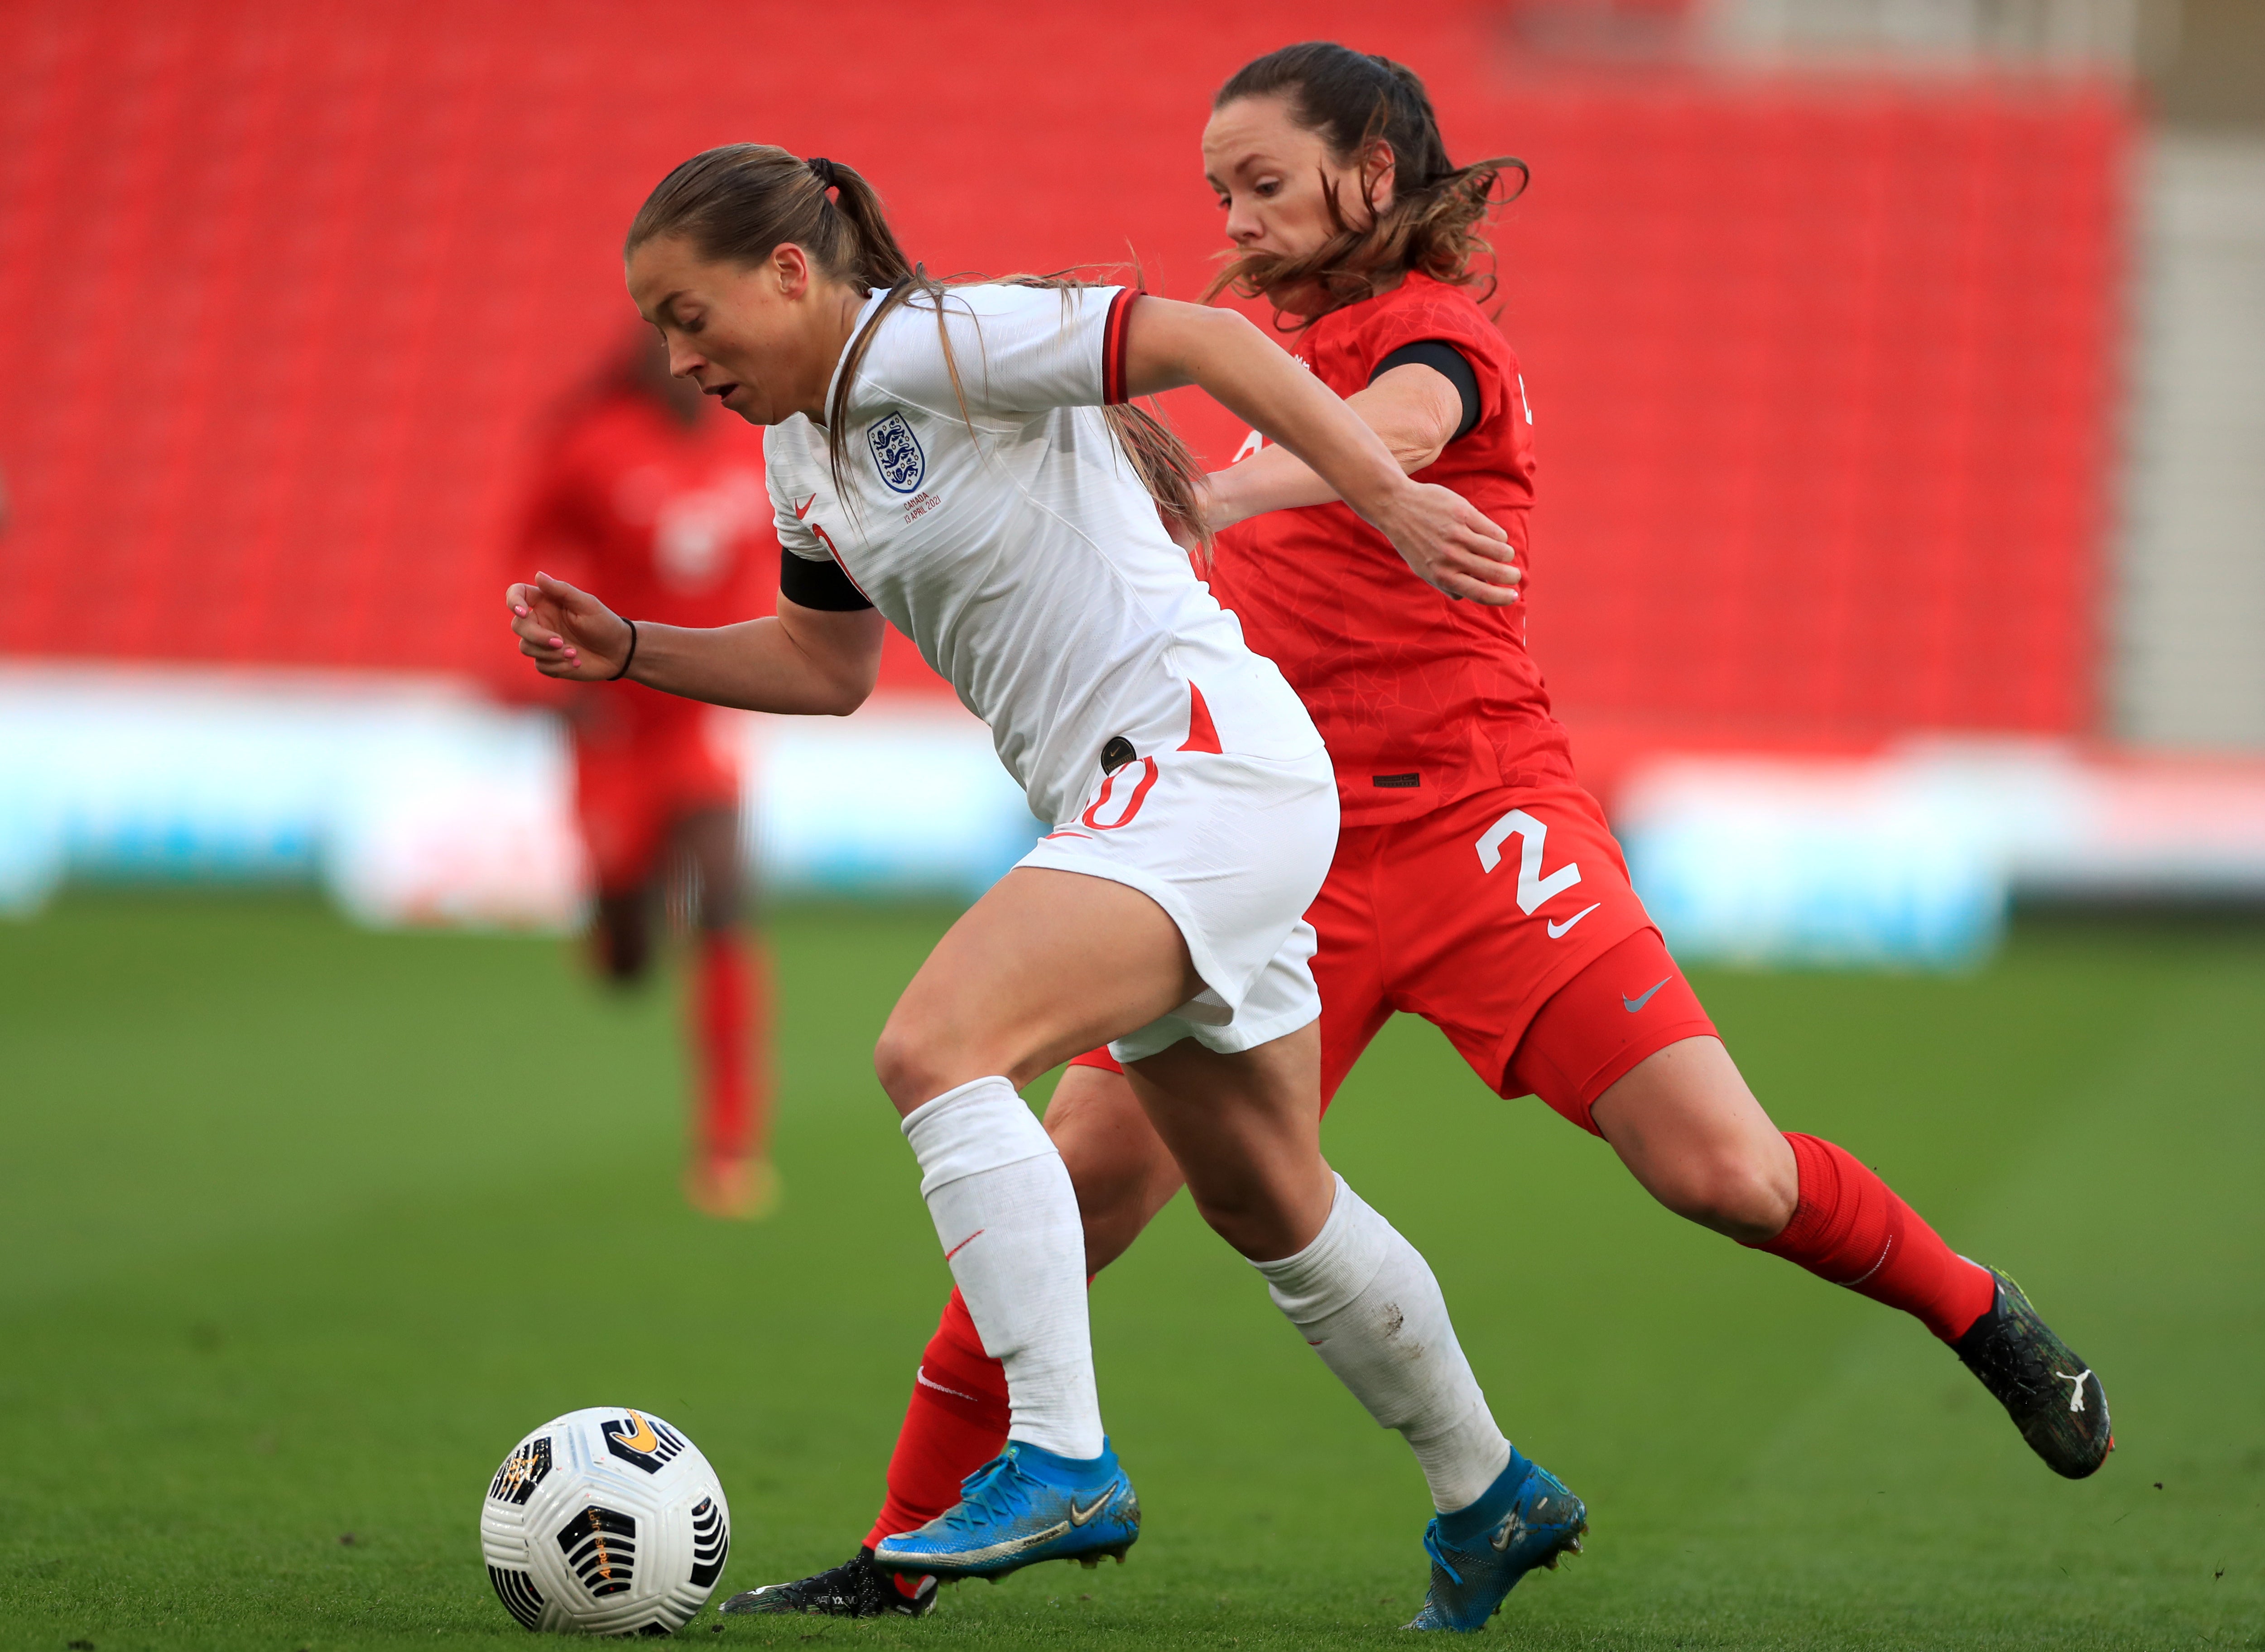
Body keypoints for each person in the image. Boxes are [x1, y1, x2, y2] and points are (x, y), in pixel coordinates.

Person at [733, 41, 2115, 1630]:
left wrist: (1229, 491)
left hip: (1478, 825)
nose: (1235, 218)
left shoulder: (1443, 340)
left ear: (1372, 174)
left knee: (1722, 1169)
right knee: (1072, 1183)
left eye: (1262, 181)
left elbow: (1382, 428)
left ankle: (1977, 1312)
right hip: (1261, 846)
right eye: (1216, 190)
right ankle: (903, 1551)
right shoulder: (1258, 344)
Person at [507, 142, 1583, 1631]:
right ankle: (1488, 1483)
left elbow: (1197, 338)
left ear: (790, 272)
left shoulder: (933, 339)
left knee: (933, 1046)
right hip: (1171, 792)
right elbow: (823, 667)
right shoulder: (801, 445)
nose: (678, 356)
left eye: (693, 316)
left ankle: (1060, 1451)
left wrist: (1384, 499)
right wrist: (633, 644)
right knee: (1268, 1190)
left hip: (1199, 764)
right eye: (659, 329)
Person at [508, 325, 780, 1220]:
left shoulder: (760, 440)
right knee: (629, 960)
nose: (705, 373)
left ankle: (731, 1148)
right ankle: (616, 921)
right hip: (615, 723)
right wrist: (543, 659)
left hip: (701, 717)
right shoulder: (594, 448)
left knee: (727, 898)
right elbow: (525, 551)